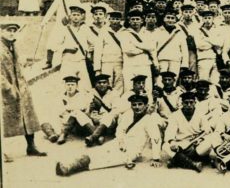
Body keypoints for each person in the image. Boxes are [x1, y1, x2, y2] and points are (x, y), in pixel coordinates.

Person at [55, 93, 163, 176]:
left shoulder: (149, 119)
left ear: (145, 106)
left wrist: (156, 158)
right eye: (134, 105)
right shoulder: (128, 114)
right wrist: (120, 141)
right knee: (97, 153)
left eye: (140, 104)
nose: (137, 107)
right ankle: (69, 163)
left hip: (132, 149)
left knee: (103, 161)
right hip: (120, 142)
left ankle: (69, 168)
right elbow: (120, 129)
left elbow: (156, 138)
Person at [1, 22, 47, 160]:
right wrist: (8, 88)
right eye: (8, 30)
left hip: (21, 86)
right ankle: (3, 152)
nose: (11, 33)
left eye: (14, 31)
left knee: (28, 117)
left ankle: (31, 146)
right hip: (5, 89)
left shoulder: (13, 45)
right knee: (4, 121)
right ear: (1, 31)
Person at [164, 91, 214, 172]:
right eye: (186, 103)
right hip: (181, 143)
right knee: (165, 146)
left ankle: (178, 160)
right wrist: (172, 142)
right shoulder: (175, 115)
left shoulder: (200, 114)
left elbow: (207, 130)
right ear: (182, 103)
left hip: (197, 143)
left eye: (191, 102)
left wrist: (200, 139)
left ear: (195, 103)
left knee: (209, 143)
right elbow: (170, 131)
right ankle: (193, 164)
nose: (189, 105)